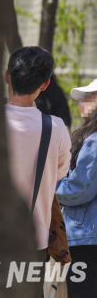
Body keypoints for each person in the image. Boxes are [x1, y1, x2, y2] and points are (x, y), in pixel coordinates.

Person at [4, 46, 70, 295]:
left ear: (7, 75)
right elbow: (60, 173)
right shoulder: (55, 128)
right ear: (45, 84)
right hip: (34, 239)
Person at [56, 80, 97, 297]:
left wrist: (49, 189)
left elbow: (79, 189)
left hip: (86, 237)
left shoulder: (94, 141)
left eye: (90, 96)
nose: (83, 101)